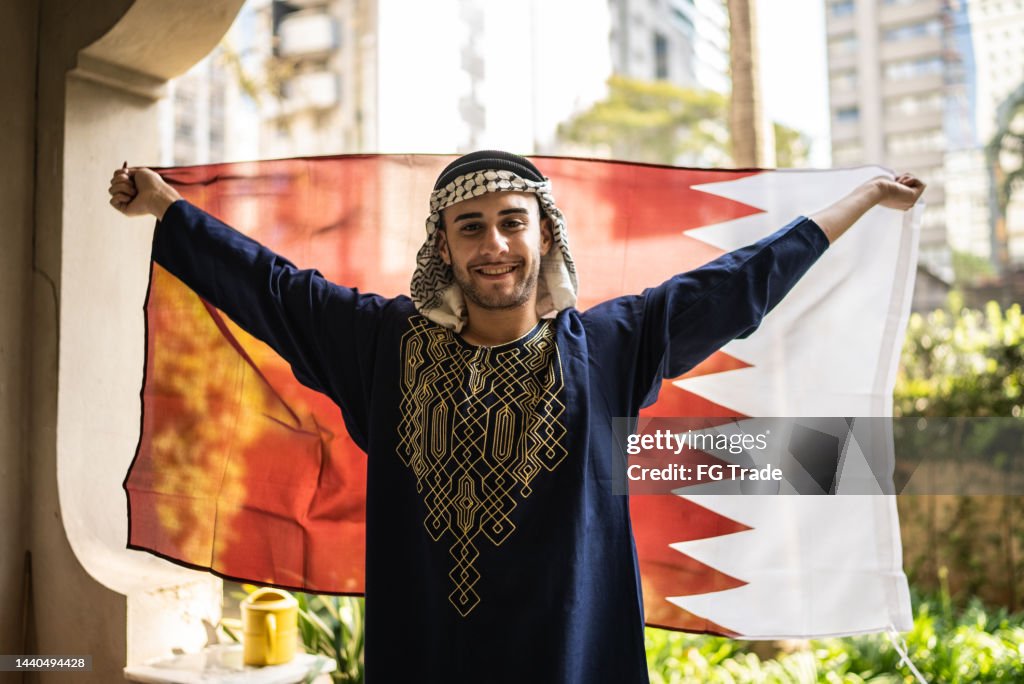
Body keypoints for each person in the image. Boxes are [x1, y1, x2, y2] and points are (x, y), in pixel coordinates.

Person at [108, 151, 924, 683]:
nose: (493, 244)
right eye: (472, 227)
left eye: (511, 222)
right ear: (445, 248)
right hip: (424, 659)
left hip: (570, 662)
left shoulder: (612, 345)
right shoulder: (381, 344)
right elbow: (273, 288)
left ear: (544, 237)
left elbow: (741, 282)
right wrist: (167, 209)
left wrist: (858, 201)